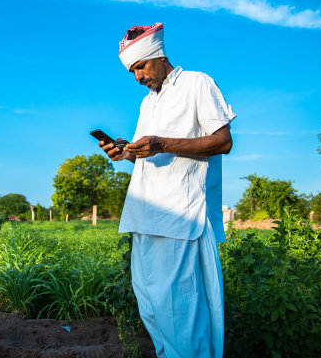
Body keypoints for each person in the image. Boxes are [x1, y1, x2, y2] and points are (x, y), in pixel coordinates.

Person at [99, 23, 236, 358]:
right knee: (152, 308)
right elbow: (151, 157)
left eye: (140, 67)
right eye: (132, 71)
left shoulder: (197, 84)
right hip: (145, 214)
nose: (137, 77)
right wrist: (127, 153)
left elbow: (223, 141)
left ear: (158, 56)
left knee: (180, 314)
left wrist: (161, 143)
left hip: (181, 216)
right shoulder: (148, 104)